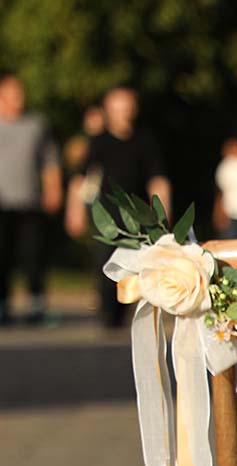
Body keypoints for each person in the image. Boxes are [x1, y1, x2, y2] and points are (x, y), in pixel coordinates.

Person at [66, 86, 169, 328]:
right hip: (107, 214)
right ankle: (108, 312)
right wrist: (74, 210)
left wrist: (162, 213)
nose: (123, 113)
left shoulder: (144, 141)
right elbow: (80, 178)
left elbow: (157, 180)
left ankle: (128, 309)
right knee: (105, 260)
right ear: (108, 111)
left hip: (137, 213)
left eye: (126, 108)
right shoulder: (99, 141)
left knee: (135, 263)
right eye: (117, 109)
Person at [0, 73, 62, 325]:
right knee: (1, 256)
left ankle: (36, 304)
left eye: (20, 92)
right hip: (2, 203)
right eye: (12, 93)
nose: (18, 97)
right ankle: (2, 305)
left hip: (30, 200)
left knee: (34, 254)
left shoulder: (36, 124)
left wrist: (53, 189)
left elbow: (50, 160)